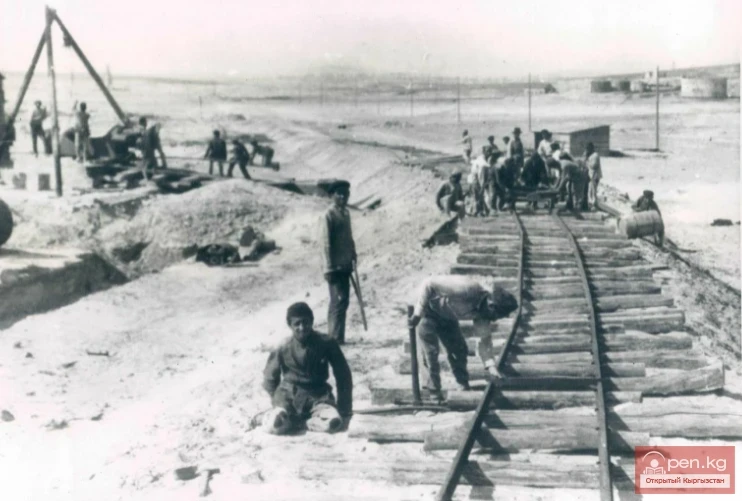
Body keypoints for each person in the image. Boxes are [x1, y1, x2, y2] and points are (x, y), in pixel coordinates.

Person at [408, 277, 518, 402]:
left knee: (459, 350)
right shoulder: (468, 288)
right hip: (428, 311)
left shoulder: (484, 314)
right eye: (497, 316)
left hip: (448, 316)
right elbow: (429, 284)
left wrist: (491, 367)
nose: (494, 319)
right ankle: (434, 393)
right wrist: (417, 313)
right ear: (491, 305)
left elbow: (484, 341)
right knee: (430, 353)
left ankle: (462, 385)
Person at [261, 302, 352, 435]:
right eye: (297, 324)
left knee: (334, 422)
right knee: (274, 425)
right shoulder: (283, 346)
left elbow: (343, 375)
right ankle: (276, 417)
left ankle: (305, 423)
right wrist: (277, 400)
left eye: (306, 322)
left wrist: (344, 408)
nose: (302, 328)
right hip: (288, 396)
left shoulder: (326, 343)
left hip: (318, 396)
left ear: (312, 321)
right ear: (290, 325)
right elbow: (269, 378)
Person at [319, 180, 356, 345]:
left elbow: (349, 238)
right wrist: (328, 268)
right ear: (332, 195)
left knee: (344, 301)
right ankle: (333, 338)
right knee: (337, 301)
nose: (343, 197)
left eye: (345, 194)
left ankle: (338, 336)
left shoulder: (346, 214)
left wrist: (353, 254)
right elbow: (325, 243)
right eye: (339, 194)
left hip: (345, 265)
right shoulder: (328, 215)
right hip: (334, 267)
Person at [584, 142, 602, 210]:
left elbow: (594, 165)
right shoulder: (590, 155)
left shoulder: (595, 155)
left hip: (595, 176)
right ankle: (591, 203)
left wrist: (587, 162)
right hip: (591, 176)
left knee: (593, 191)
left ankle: (594, 204)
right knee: (590, 190)